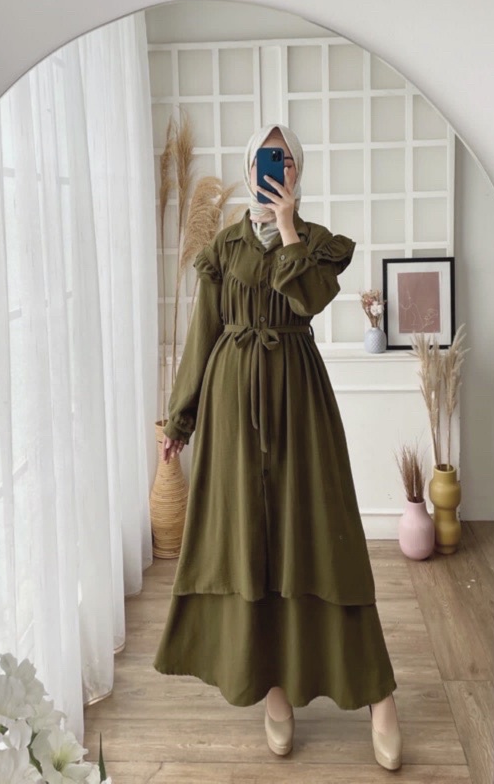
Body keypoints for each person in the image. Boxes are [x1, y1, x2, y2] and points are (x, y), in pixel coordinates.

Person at [153, 124, 402, 771]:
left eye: (285, 160)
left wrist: (289, 226)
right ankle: (276, 693)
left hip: (300, 407)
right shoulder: (224, 248)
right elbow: (204, 334)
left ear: (297, 171)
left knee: (324, 542)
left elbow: (310, 300)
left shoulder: (315, 243)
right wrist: (179, 422)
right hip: (233, 412)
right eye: (267, 161)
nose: (275, 170)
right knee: (254, 548)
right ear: (250, 169)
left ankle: (378, 696)